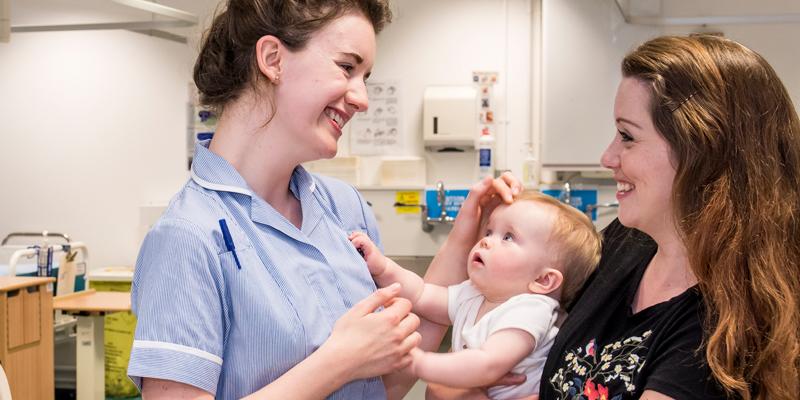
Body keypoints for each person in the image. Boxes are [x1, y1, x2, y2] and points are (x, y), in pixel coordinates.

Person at [426, 34, 800, 400]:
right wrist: (471, 229)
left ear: (701, 150)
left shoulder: (722, 325)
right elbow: (452, 366)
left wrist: (465, 389)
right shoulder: (624, 242)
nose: (607, 157)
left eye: (627, 136)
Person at [125, 1, 429, 399]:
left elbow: (379, 387)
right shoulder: (187, 236)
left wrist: (468, 246)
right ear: (272, 59)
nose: (362, 99)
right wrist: (338, 362)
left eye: (365, 78)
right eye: (346, 67)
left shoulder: (344, 207)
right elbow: (352, 363)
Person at [350, 191, 601, 399]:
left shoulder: (531, 311)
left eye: (508, 237)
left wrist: (418, 362)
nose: (486, 241)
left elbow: (487, 364)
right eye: (489, 231)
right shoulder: (475, 293)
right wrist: (383, 267)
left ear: (543, 280)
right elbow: (421, 294)